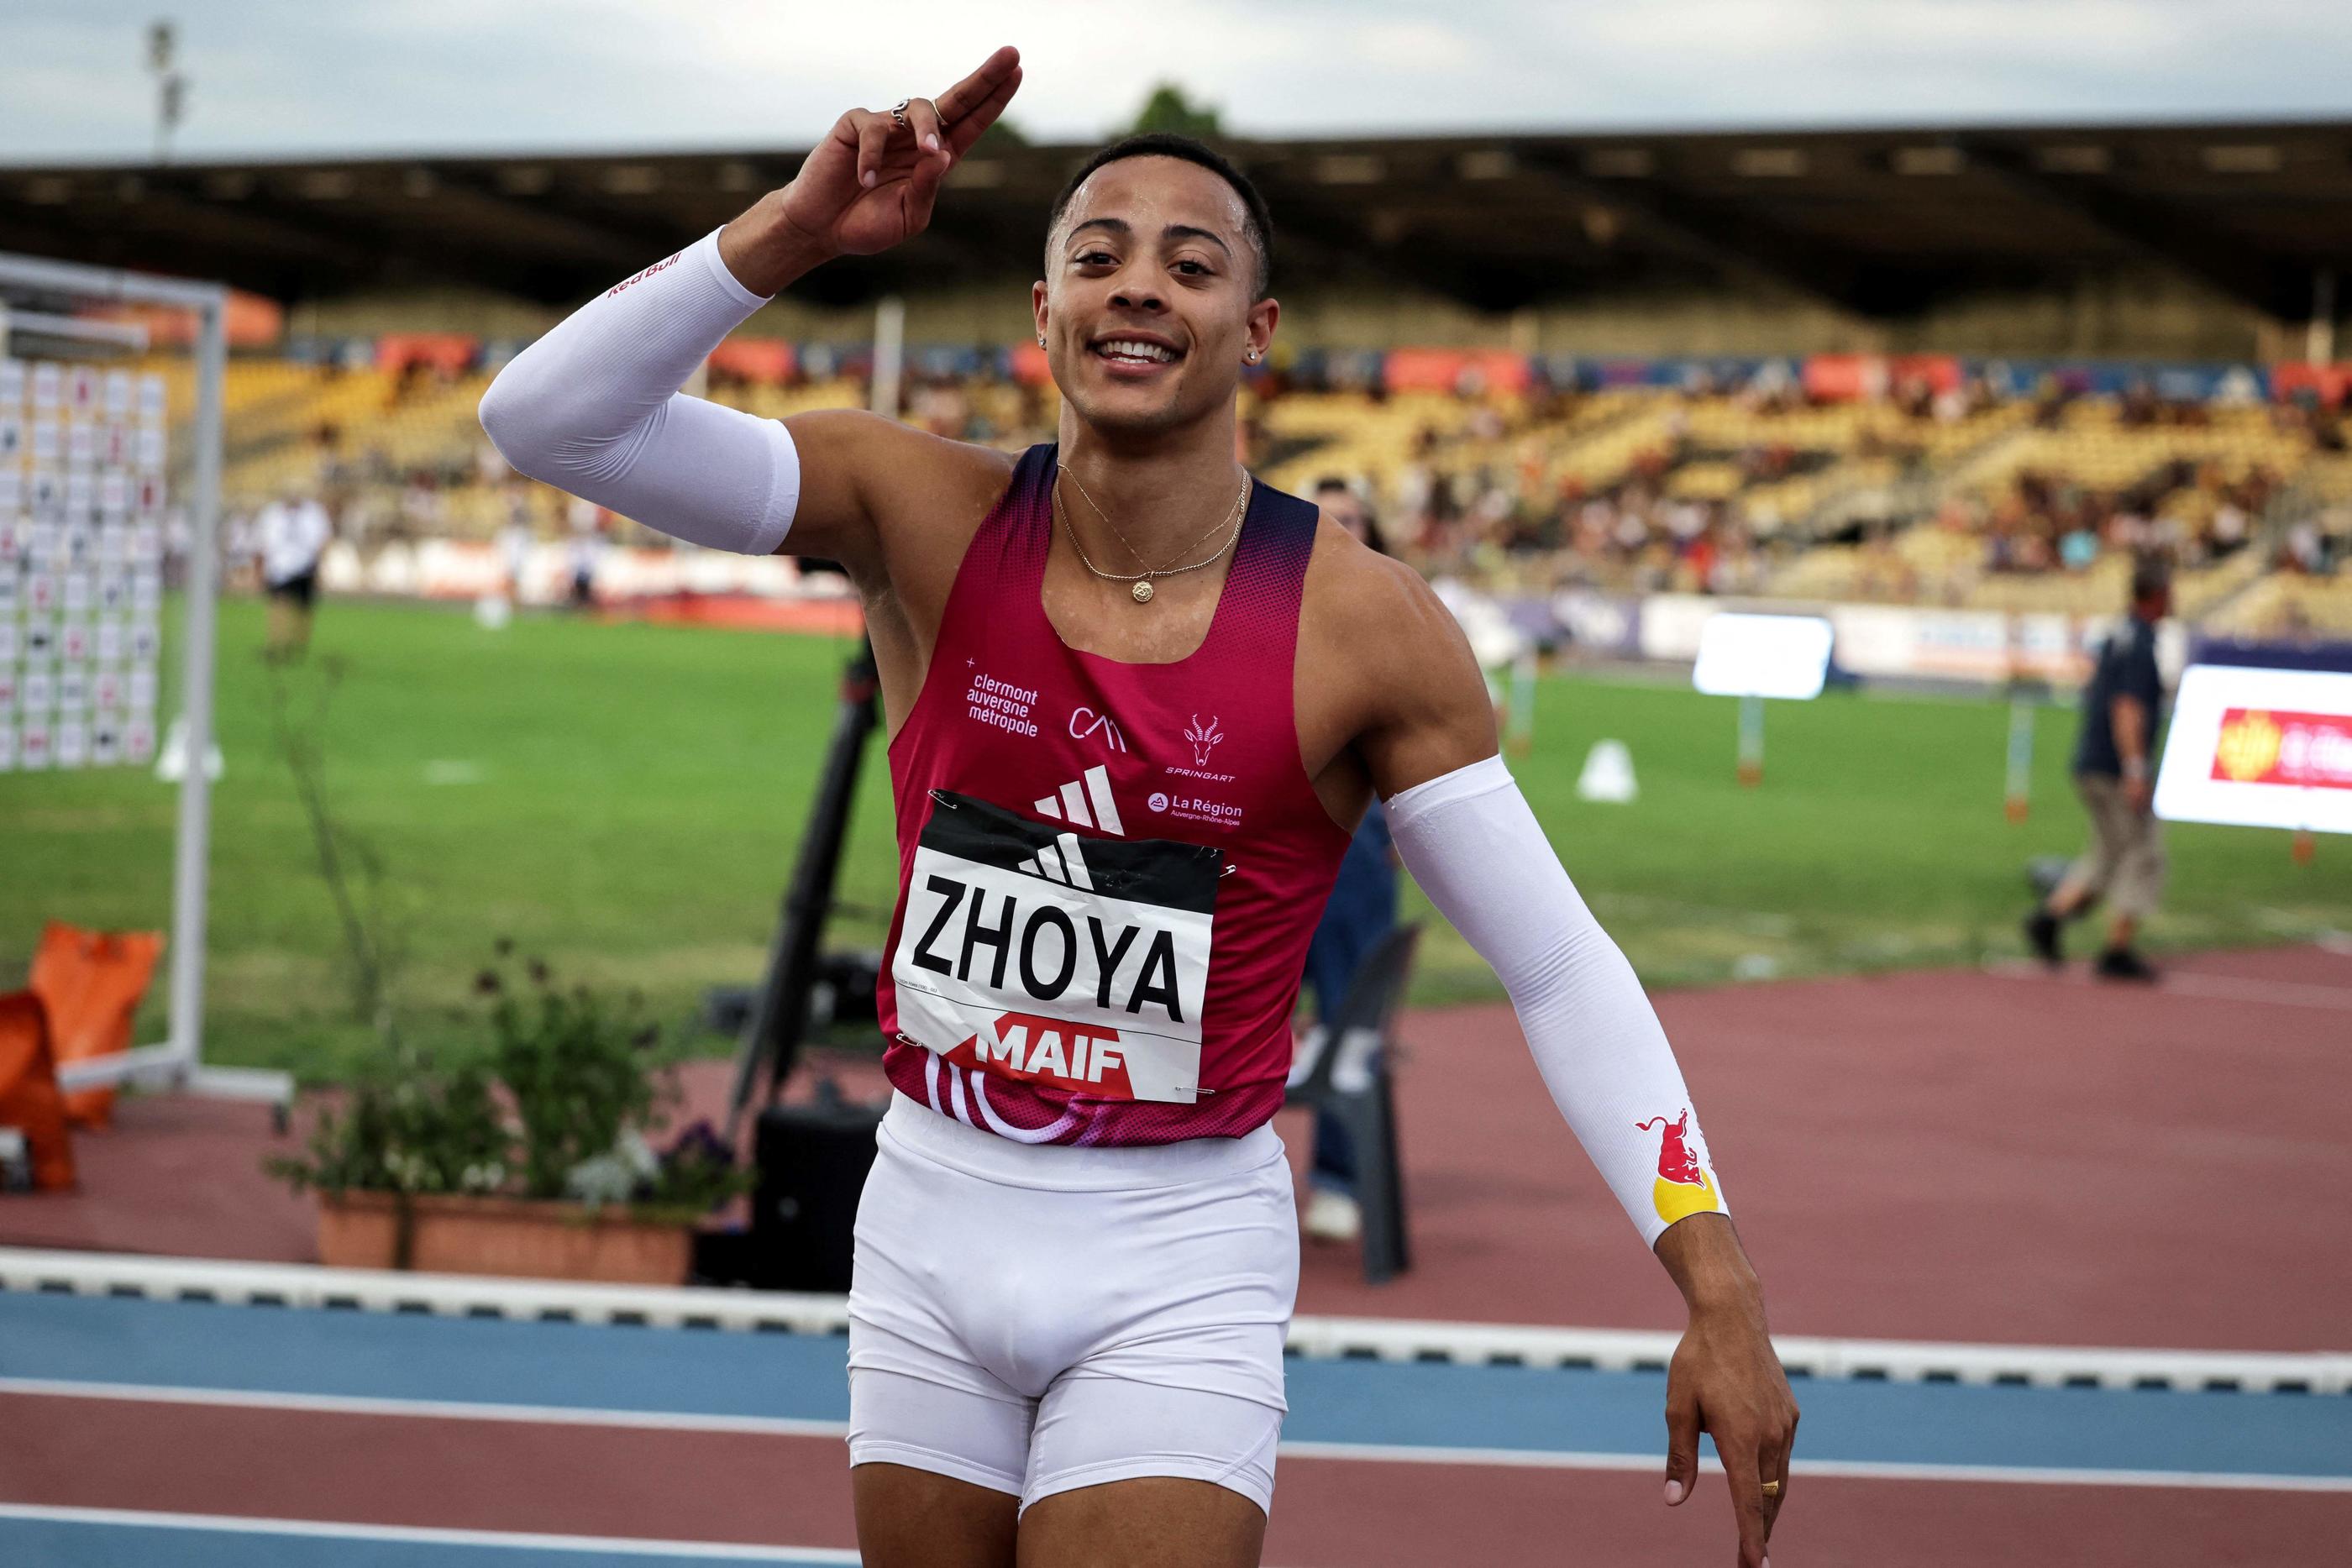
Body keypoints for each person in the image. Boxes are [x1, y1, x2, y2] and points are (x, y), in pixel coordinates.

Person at [480, 48, 1796, 1568]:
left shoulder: (1366, 627)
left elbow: (1559, 964)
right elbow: (547, 423)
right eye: (1094, 257)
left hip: (1175, 1246)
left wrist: (1722, 1286)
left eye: (1191, 262)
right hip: (930, 1215)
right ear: (1044, 314)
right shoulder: (918, 510)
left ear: (1258, 328)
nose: (1138, 290)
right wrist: (786, 234)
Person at [2024, 559, 2171, 981]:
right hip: (2114, 765)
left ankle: (2049, 919)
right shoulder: (2140, 643)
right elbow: (2127, 708)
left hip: (2091, 758)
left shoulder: (2117, 635)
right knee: (2142, 852)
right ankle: (2117, 948)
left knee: (2107, 852)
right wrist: (2136, 768)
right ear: (2158, 596)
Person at [254, 488, 332, 660]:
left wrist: (320, 566)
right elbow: (262, 541)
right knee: (278, 605)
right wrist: (260, 568)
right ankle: (276, 644)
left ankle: (298, 645)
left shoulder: (314, 513)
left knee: (303, 609)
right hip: (279, 567)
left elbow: (323, 540)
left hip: (305, 566)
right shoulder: (272, 513)